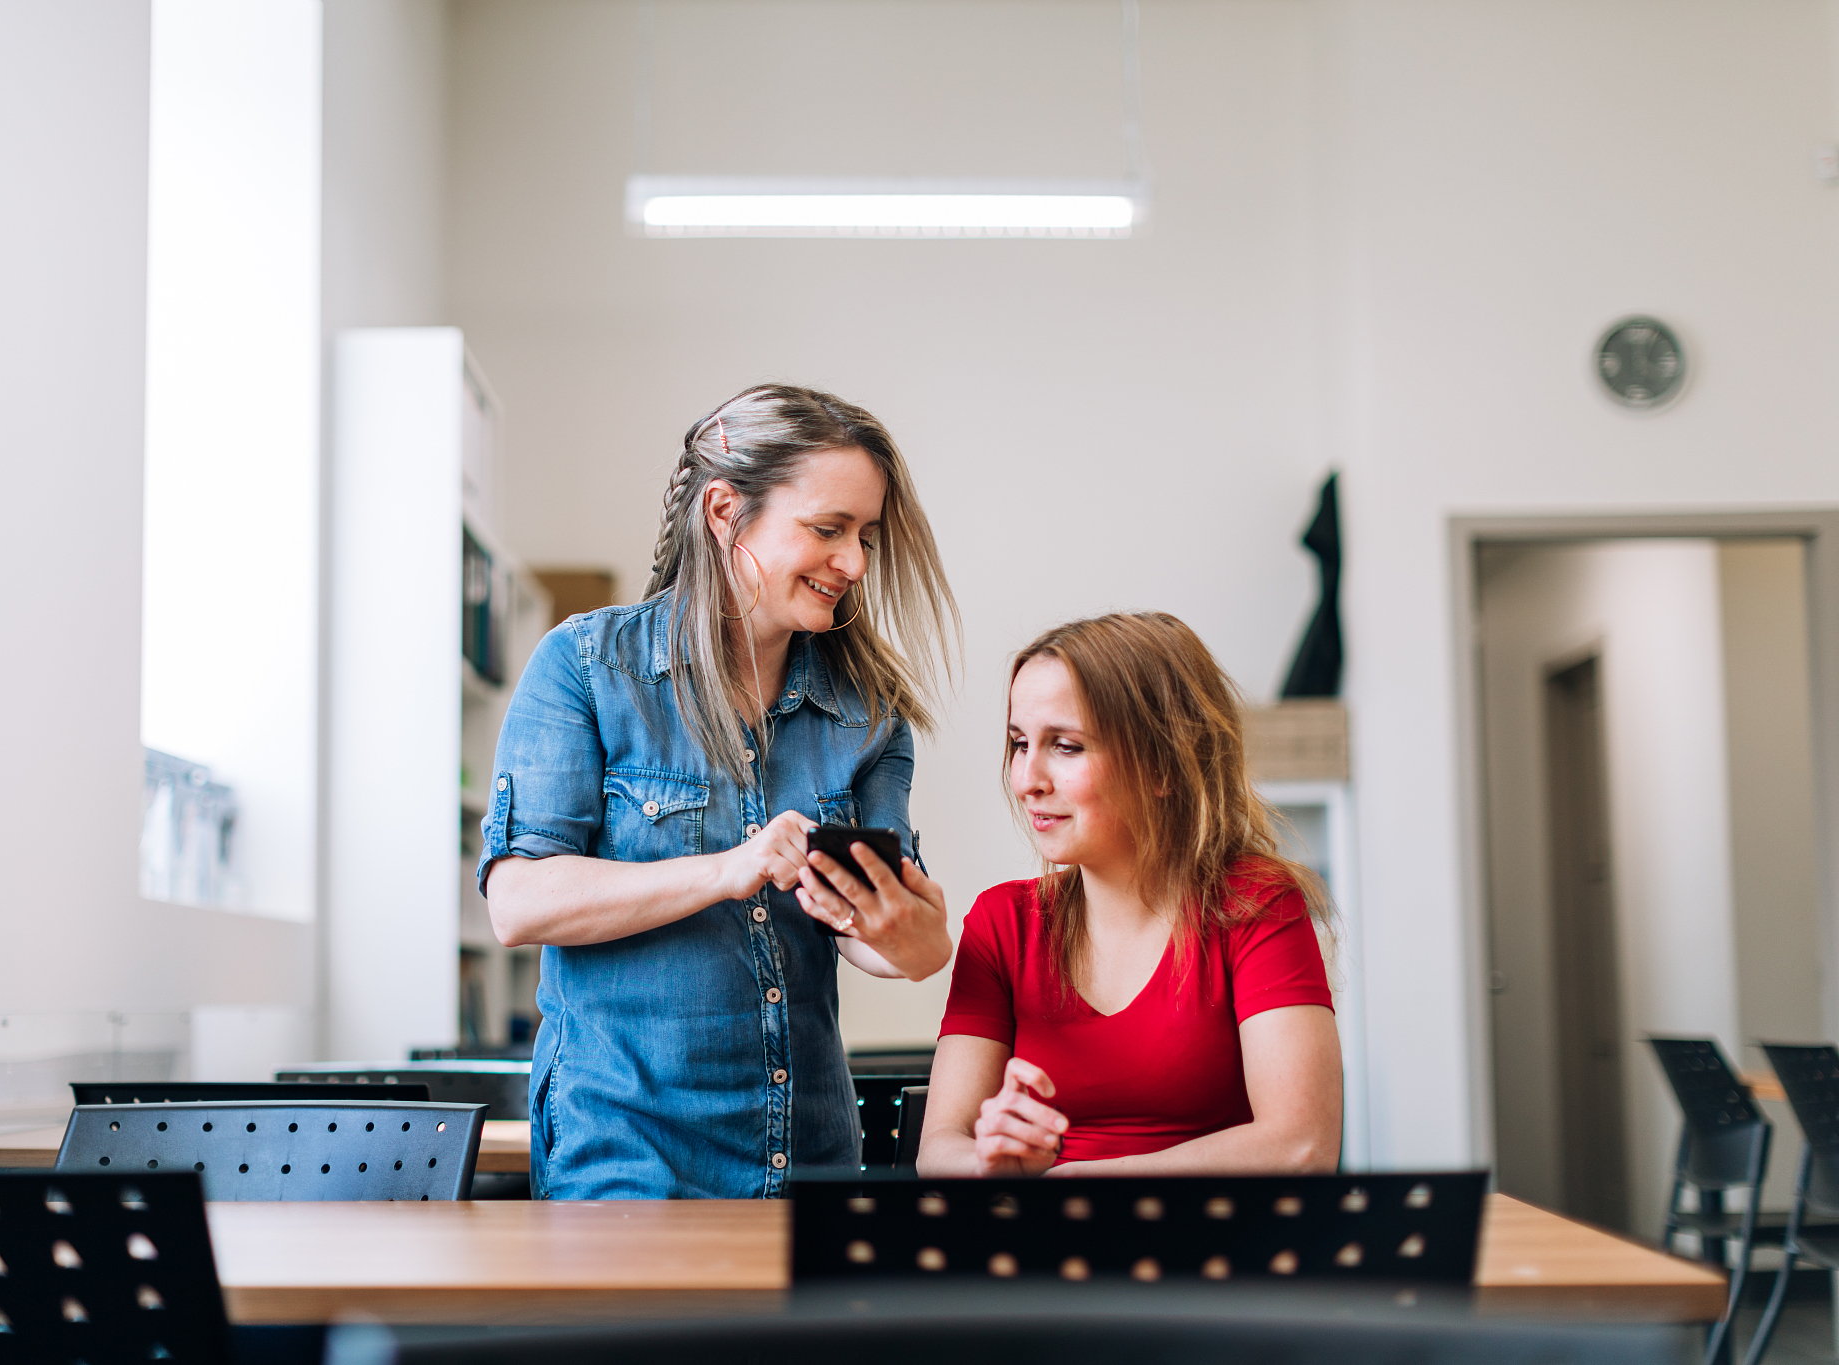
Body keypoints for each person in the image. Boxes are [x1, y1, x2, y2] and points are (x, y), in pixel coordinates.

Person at [479, 384, 961, 1199]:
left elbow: (894, 950)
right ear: (723, 511)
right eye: (827, 528)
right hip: (625, 1158)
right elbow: (519, 901)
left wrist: (912, 930)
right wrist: (728, 868)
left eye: (867, 537)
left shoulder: (869, 715)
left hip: (809, 1159)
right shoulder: (588, 669)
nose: (854, 563)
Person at [916, 612, 1341, 1178]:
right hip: (1046, 1253)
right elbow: (939, 1151)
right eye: (1020, 744)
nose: (1026, 779)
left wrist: (1078, 1184)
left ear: (1164, 762)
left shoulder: (1256, 903)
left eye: (1066, 747)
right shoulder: (1002, 921)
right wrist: (991, 1162)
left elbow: (1302, 1147)